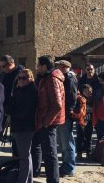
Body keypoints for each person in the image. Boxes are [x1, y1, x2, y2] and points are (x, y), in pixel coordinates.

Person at [35, 55, 65, 183]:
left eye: (38, 65)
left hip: (49, 123)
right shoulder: (47, 78)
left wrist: (46, 122)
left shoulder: (52, 79)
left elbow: (57, 104)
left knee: (50, 154)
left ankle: (53, 180)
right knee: (48, 153)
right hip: (47, 120)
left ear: (44, 66)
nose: (37, 68)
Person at [10, 69, 38, 183]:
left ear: (30, 79)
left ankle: (23, 180)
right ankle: (28, 179)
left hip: (25, 127)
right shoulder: (20, 90)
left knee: (24, 157)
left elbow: (23, 111)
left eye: (23, 78)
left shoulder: (30, 92)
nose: (20, 80)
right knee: (26, 156)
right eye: (19, 78)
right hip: (20, 126)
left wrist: (10, 110)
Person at [54, 60, 77, 177]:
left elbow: (72, 99)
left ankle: (69, 168)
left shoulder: (70, 80)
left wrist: (68, 113)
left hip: (66, 116)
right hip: (63, 115)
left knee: (67, 142)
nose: (57, 68)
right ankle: (66, 165)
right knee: (63, 143)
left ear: (64, 67)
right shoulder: (64, 79)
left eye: (59, 66)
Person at [72, 84, 91, 159]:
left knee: (88, 137)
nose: (89, 92)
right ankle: (79, 152)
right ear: (83, 91)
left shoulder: (91, 99)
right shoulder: (80, 99)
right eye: (87, 91)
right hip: (80, 120)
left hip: (89, 120)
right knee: (80, 137)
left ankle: (88, 152)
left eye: (90, 91)